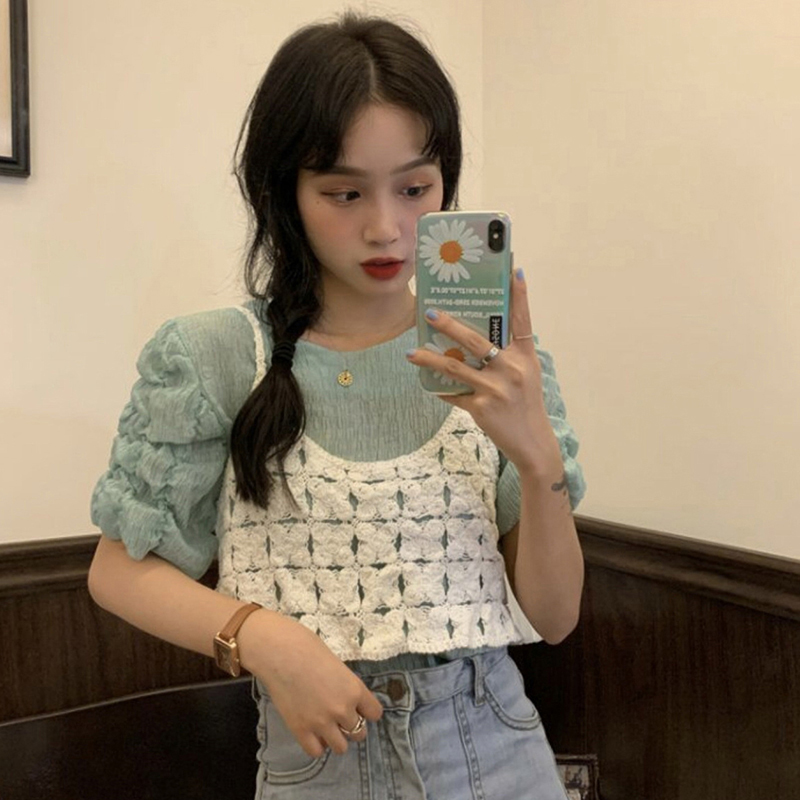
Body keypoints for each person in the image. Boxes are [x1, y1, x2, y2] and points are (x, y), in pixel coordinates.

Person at [88, 12, 586, 800]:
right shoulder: (215, 356)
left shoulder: (499, 366)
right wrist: (263, 639)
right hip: (317, 763)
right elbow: (118, 572)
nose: (385, 227)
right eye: (344, 192)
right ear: (283, 190)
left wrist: (536, 455)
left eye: (416, 188)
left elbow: (554, 618)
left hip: (497, 754)